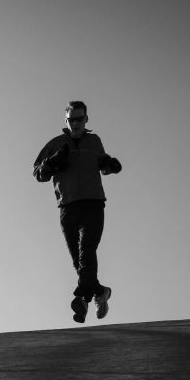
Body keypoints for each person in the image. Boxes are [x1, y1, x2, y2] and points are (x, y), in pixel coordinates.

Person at [33, 101, 122, 323]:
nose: (75, 123)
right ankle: (100, 292)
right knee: (79, 261)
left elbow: (103, 165)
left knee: (87, 251)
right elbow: (37, 173)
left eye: (79, 119)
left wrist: (110, 164)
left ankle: (81, 297)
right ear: (66, 121)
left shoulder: (94, 141)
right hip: (67, 206)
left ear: (86, 120)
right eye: (71, 119)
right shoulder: (55, 143)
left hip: (93, 203)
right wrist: (52, 163)